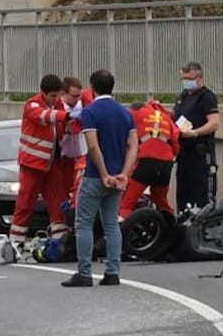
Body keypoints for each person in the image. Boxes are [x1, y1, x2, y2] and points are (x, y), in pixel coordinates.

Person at [62, 69, 137, 287]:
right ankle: (113, 272)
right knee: (111, 223)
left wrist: (103, 174)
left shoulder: (91, 112)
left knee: (83, 223)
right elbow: (133, 146)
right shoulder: (125, 113)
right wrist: (124, 173)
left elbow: (93, 146)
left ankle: (84, 273)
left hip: (96, 176)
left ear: (92, 88)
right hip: (118, 175)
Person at [9, 74, 77, 248]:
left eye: (58, 96)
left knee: (58, 202)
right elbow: (45, 116)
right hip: (33, 164)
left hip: (51, 164)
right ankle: (16, 242)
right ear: (43, 93)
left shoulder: (59, 106)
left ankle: (60, 241)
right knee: (25, 204)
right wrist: (67, 116)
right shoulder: (32, 105)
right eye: (52, 96)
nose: (55, 100)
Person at [118, 100, 180, 220]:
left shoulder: (132, 114)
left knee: (126, 204)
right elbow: (176, 143)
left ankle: (118, 234)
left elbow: (123, 138)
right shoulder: (164, 117)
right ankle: (172, 227)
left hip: (146, 161)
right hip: (166, 163)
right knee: (161, 200)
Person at [172, 61, 220, 209]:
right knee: (183, 198)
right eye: (184, 79)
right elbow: (175, 116)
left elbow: (214, 123)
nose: (186, 82)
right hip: (184, 155)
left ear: (199, 78)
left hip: (200, 156)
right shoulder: (184, 95)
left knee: (203, 198)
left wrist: (195, 133)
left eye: (189, 79)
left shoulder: (206, 97)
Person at [55, 76, 92, 212]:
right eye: (74, 96)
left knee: (79, 191)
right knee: (62, 192)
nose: (77, 98)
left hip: (80, 156)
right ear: (64, 93)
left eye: (79, 95)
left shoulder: (84, 103)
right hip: (63, 157)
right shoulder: (58, 106)